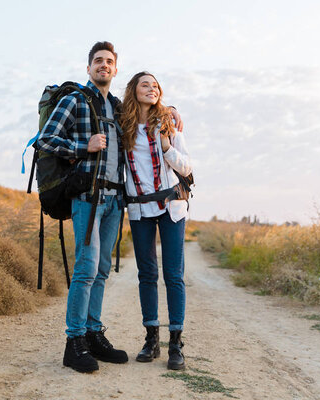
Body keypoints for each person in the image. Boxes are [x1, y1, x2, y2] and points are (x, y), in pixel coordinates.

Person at [36, 42, 184, 373]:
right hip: (87, 197)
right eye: (98, 61)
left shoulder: (118, 107)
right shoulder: (75, 100)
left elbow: (146, 112)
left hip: (115, 201)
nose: (104, 65)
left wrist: (170, 108)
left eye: (109, 62)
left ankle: (92, 334)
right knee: (86, 269)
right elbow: (44, 140)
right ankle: (73, 342)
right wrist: (81, 145)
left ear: (115, 71)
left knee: (102, 270)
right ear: (89, 68)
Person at [120, 71, 192, 370]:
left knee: (173, 275)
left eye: (155, 86)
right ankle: (151, 338)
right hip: (139, 211)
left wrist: (165, 145)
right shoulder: (121, 124)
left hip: (171, 206)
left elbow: (187, 166)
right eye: (144, 84)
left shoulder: (168, 123)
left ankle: (175, 343)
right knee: (146, 274)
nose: (151, 89)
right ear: (133, 91)